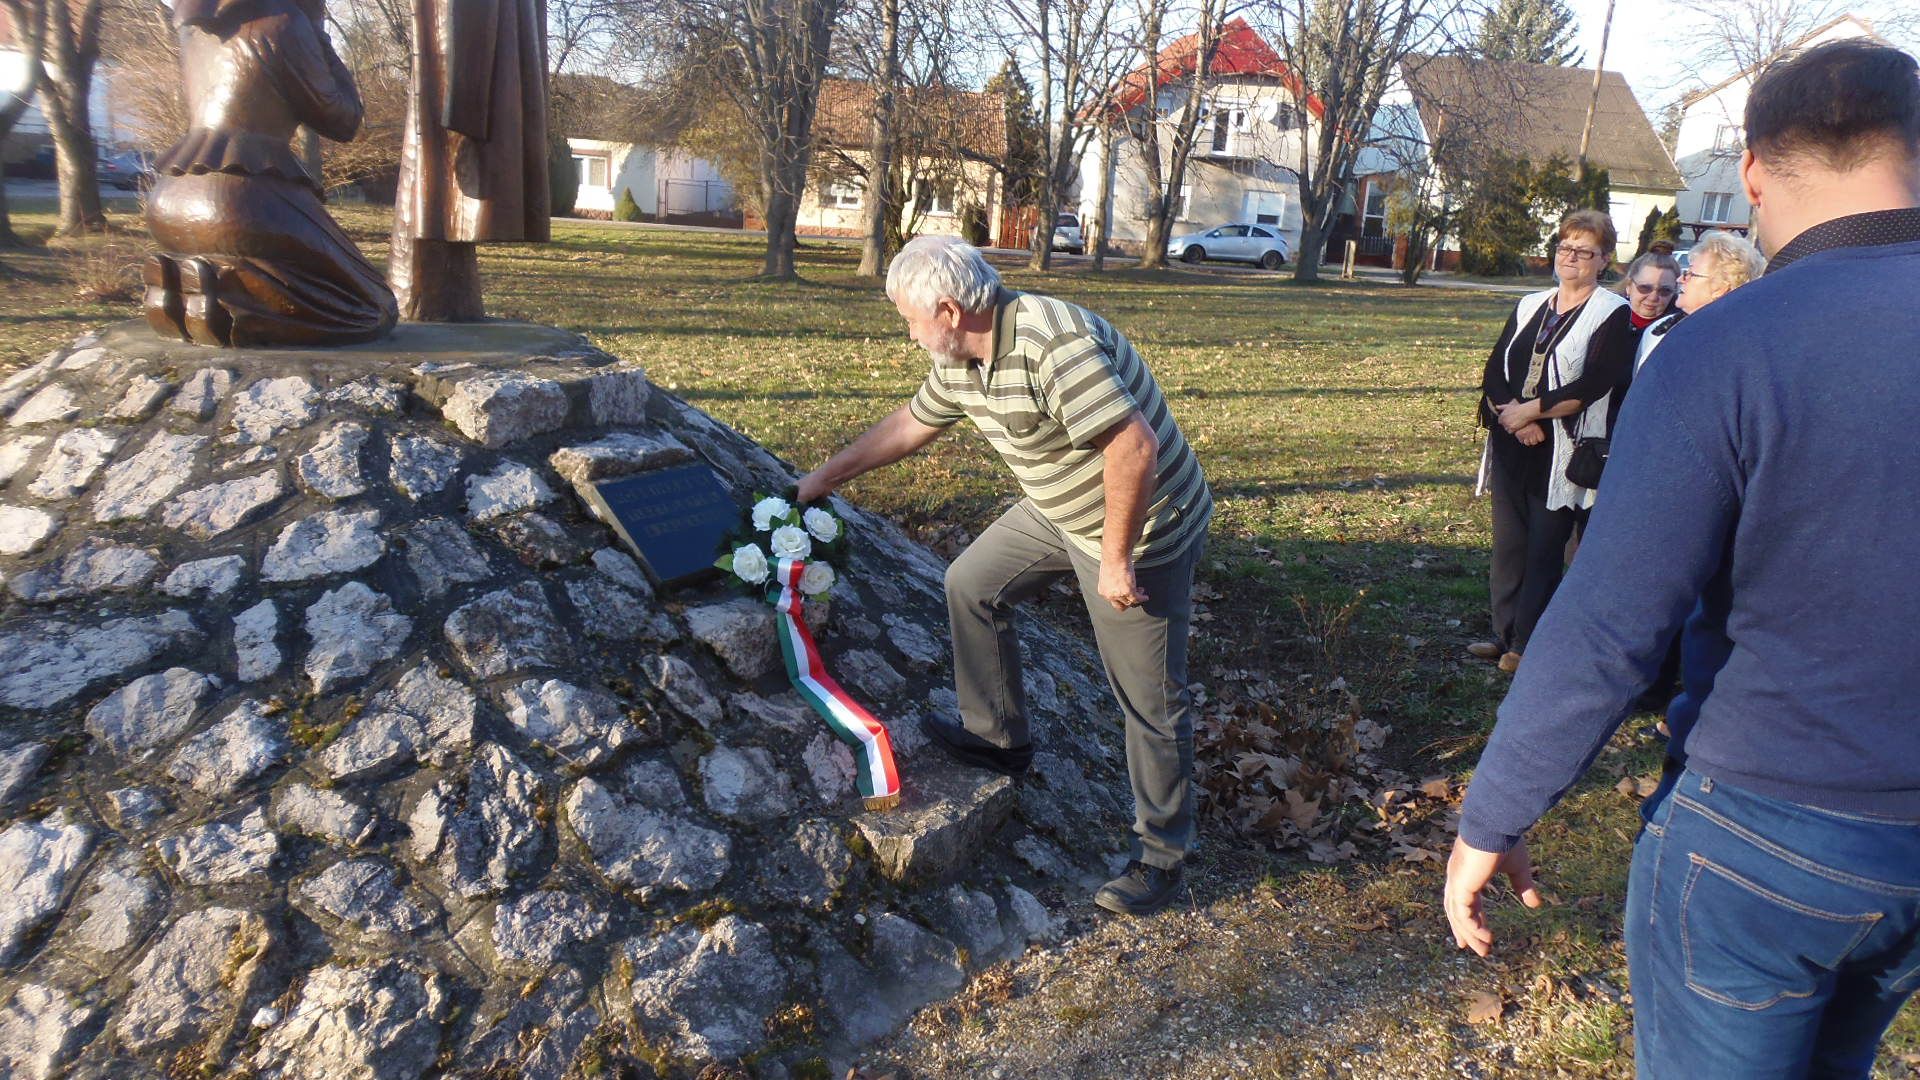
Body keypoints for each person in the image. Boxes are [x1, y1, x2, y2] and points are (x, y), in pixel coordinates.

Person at [1444, 39, 1920, 1078]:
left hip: (1765, 828)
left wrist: (1499, 807)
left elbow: (1612, 618)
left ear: (1751, 171)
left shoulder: (1728, 346)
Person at [797, 236, 1213, 916]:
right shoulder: (960, 356)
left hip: (1139, 527)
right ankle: (998, 740)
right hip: (1059, 508)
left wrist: (1115, 559)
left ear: (949, 310)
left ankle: (1162, 858)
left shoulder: (1052, 344)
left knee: (1150, 700)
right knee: (971, 584)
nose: (909, 334)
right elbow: (910, 424)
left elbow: (1134, 448)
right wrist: (821, 479)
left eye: (910, 319)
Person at [144, 0, 397, 346]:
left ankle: (196, 285)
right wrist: (318, 33)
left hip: (170, 197)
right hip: (243, 199)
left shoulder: (194, 25)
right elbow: (343, 120)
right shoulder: (284, 22)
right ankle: (238, 302)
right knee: (377, 309)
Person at [1466, 211, 1633, 674]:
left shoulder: (1611, 312)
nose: (1571, 258)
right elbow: (1495, 369)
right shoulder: (1530, 304)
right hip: (1514, 441)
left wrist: (1532, 411)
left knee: (1544, 547)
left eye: (1584, 251)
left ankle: (1527, 643)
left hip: (1562, 450)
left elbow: (1595, 382)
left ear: (1604, 260)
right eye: (1565, 247)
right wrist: (1515, 418)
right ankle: (1502, 633)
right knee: (1509, 544)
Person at [1624, 230, 1765, 714]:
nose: (1680, 280)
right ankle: (1651, 680)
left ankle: (1683, 693)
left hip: (1700, 484)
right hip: (1652, 471)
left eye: (1692, 274)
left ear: (1723, 286)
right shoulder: (1664, 329)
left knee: (1699, 596)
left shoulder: (1736, 340)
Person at [1636, 231, 1764, 371]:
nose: (1680, 279)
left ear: (1720, 287)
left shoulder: (1735, 347)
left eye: (1690, 274)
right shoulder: (1659, 328)